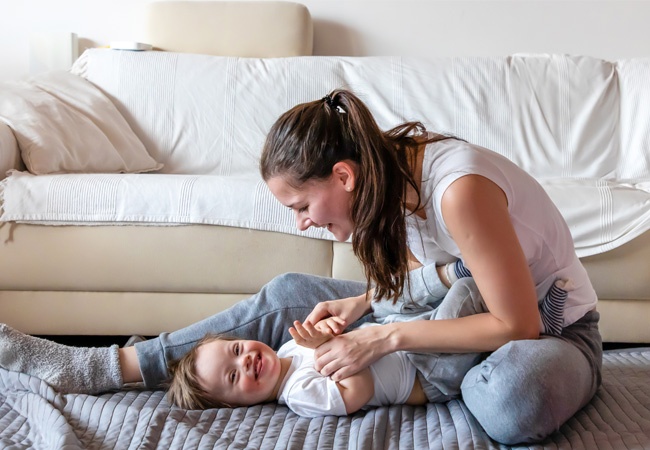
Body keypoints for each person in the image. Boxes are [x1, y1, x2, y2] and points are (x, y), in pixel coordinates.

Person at [0, 89, 602, 445]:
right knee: (293, 291)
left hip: (549, 336)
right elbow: (440, 281)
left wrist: (382, 335)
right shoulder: (389, 183)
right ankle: (112, 365)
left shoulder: (457, 189)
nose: (303, 223)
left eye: (302, 205)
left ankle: (455, 382)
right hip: (461, 313)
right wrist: (364, 303)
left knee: (511, 400)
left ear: (343, 175)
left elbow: (517, 322)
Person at [166, 321, 429, 416]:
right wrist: (332, 344)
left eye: (236, 350)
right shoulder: (298, 393)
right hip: (424, 374)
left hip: (410, 336)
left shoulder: (288, 348)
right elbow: (359, 390)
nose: (243, 360)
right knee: (463, 294)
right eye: (233, 376)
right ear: (235, 405)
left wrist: (331, 329)